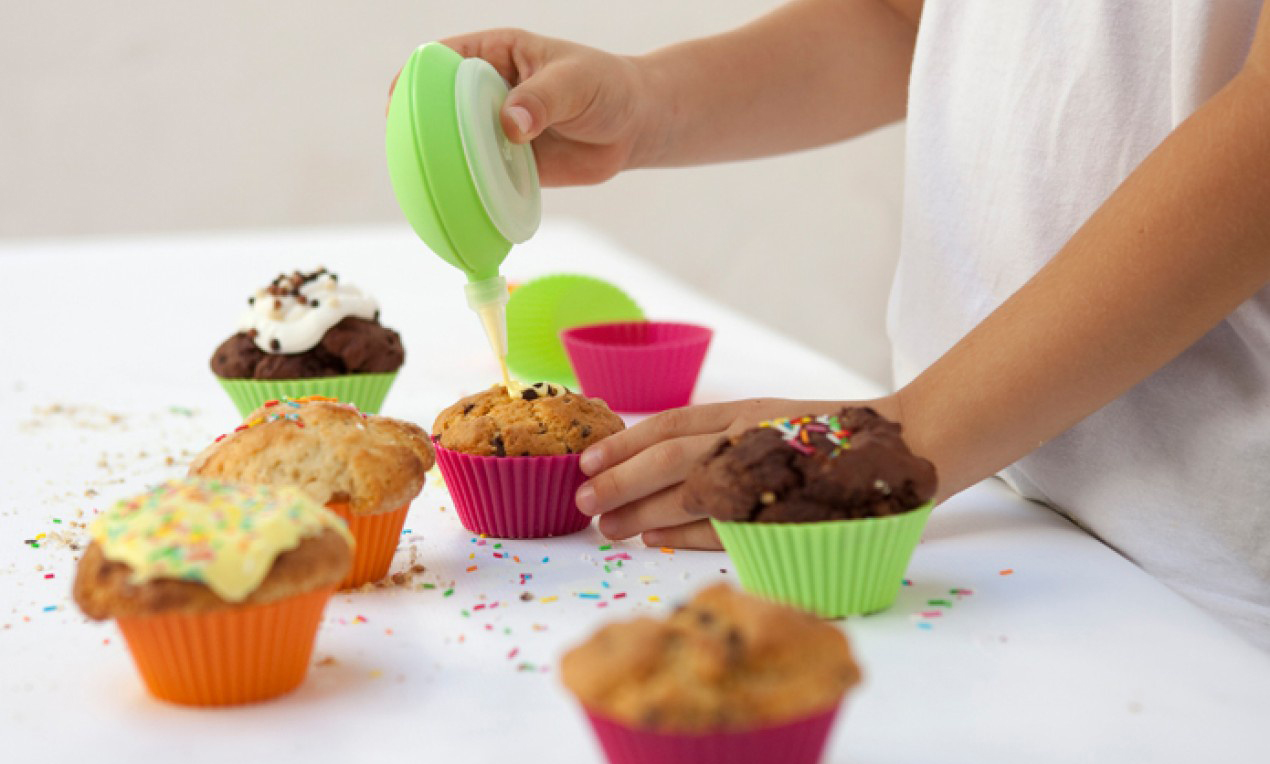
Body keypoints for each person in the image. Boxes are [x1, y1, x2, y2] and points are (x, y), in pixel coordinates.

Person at [437, 0, 1270, 649]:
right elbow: (906, 17)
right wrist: (651, 100)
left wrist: (910, 433)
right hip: (974, 514)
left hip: (1200, 573)